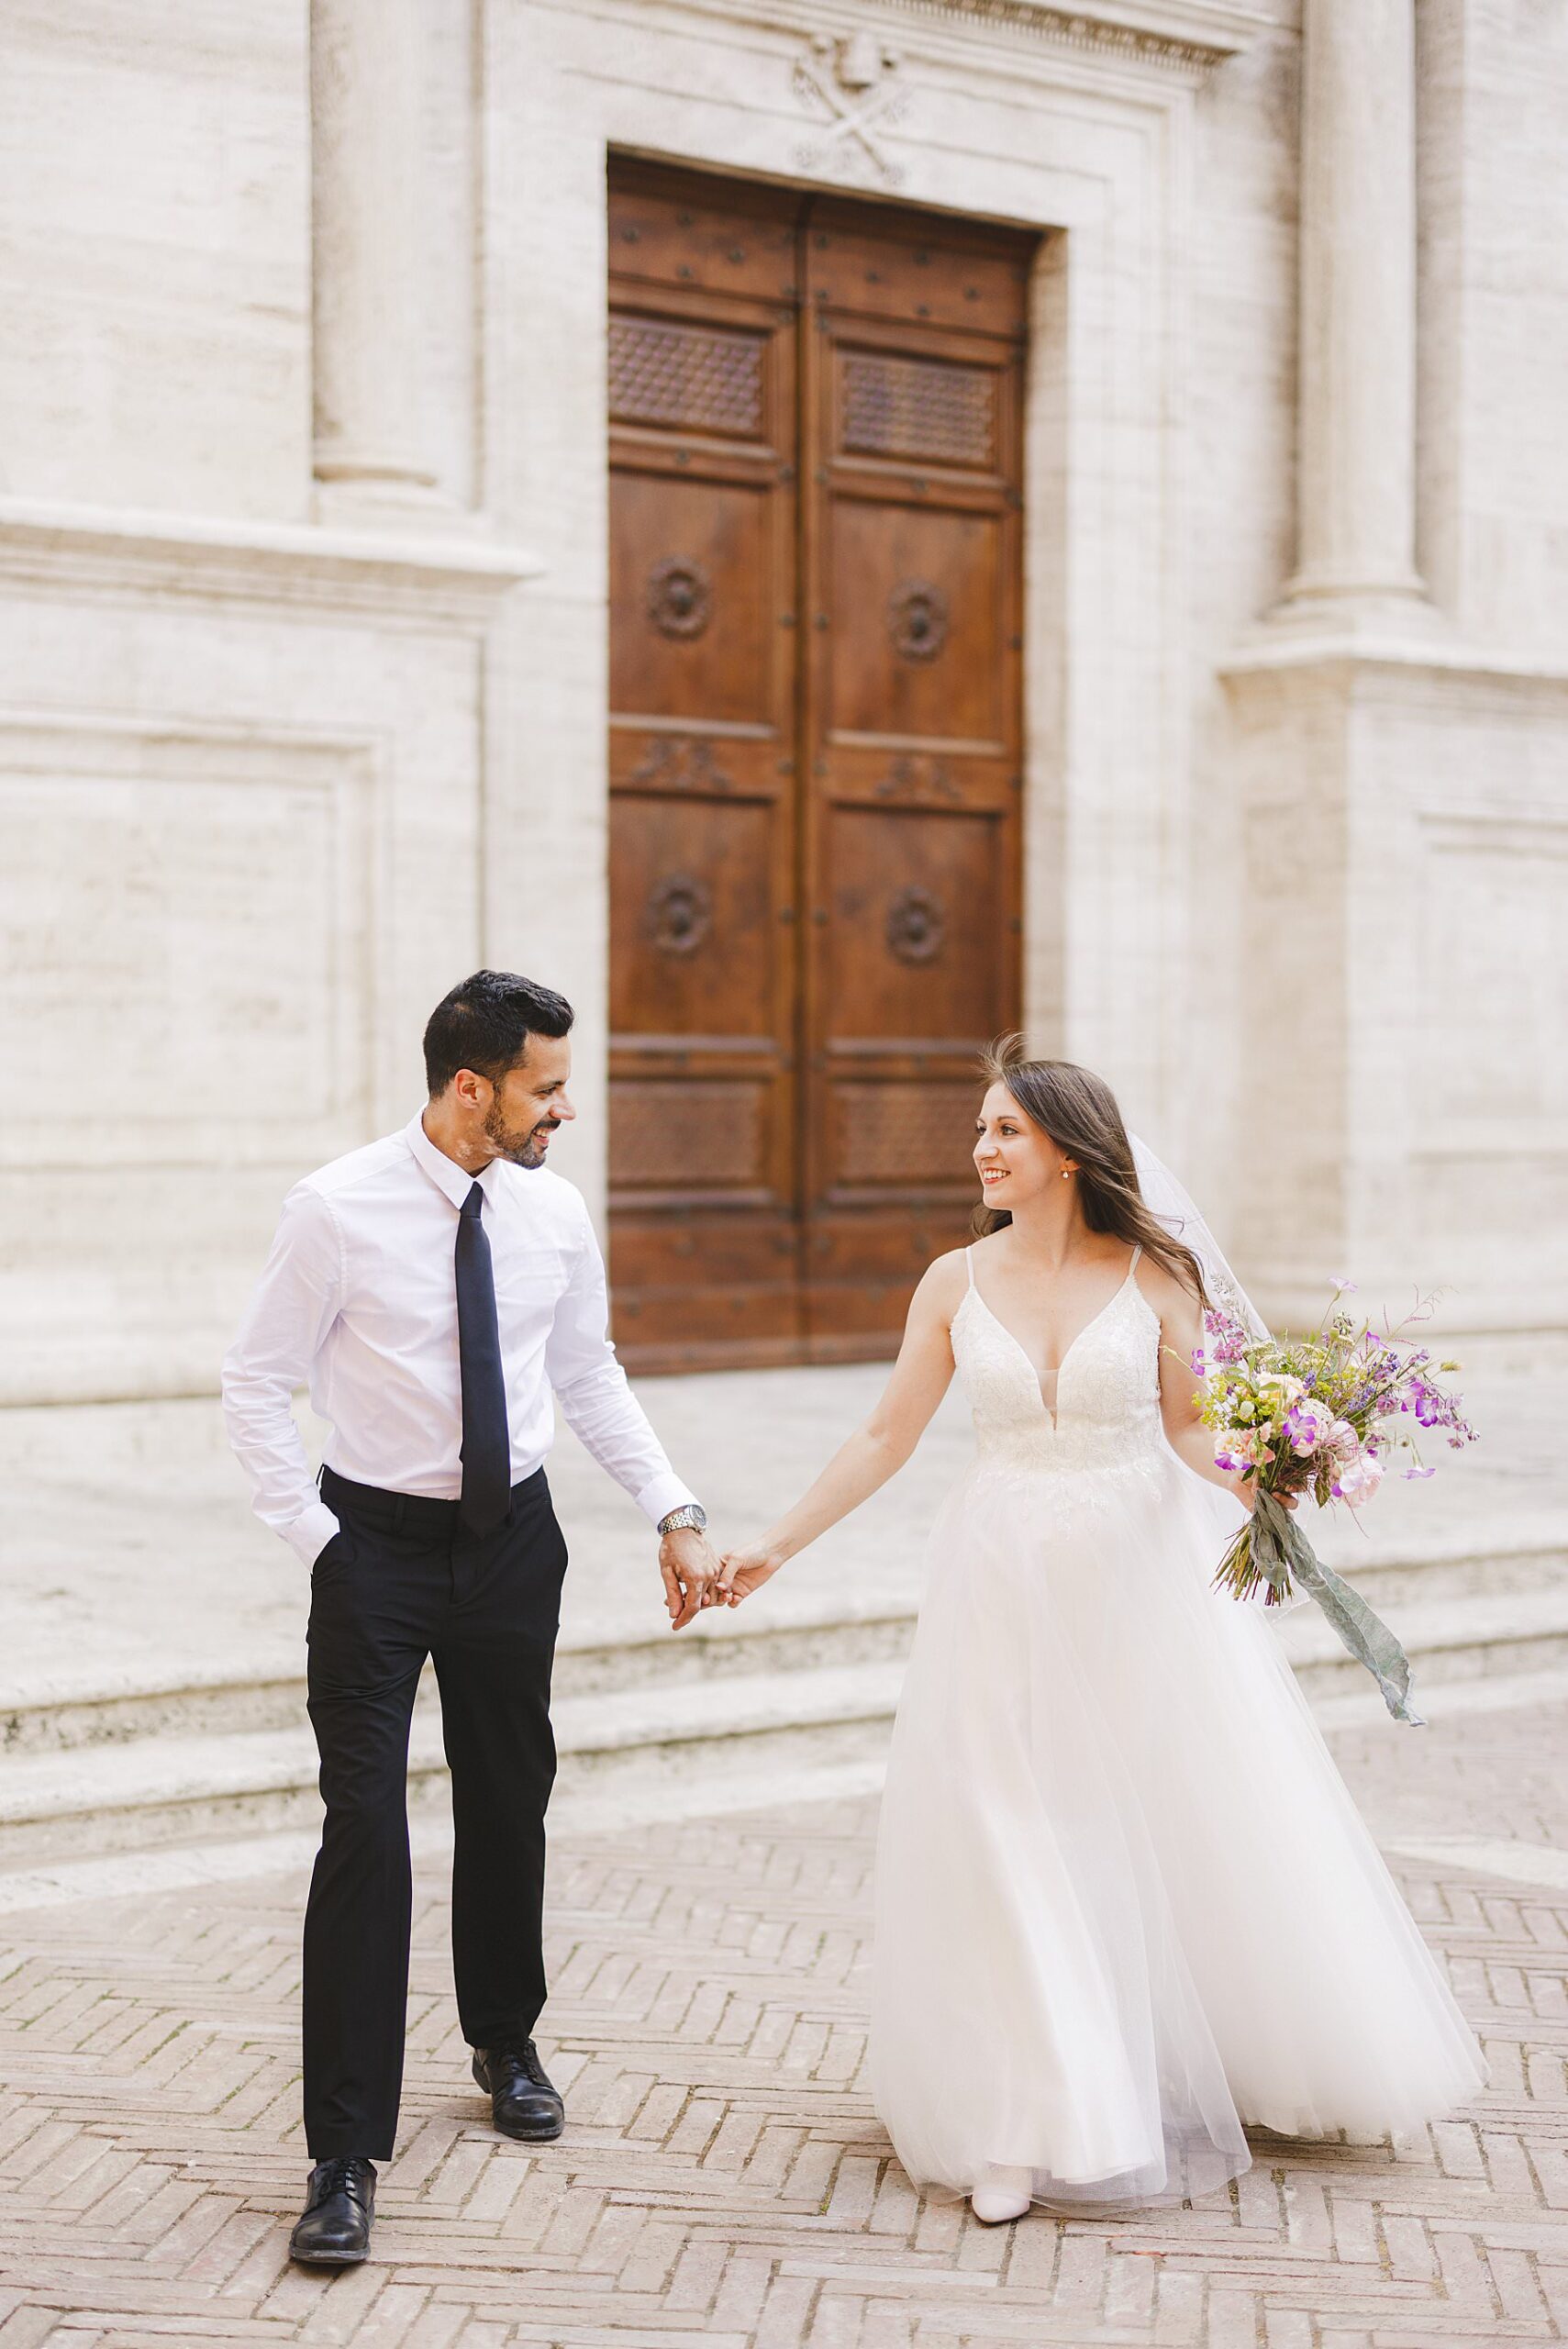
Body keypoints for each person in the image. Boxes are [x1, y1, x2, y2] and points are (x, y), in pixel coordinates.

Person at [717, 1044, 1485, 2223]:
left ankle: (1181, 2056)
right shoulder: (949, 1282)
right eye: (981, 1129)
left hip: (1133, 1582)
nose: (981, 1148)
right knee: (1005, 1825)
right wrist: (774, 1545)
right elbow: (883, 1436)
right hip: (996, 1577)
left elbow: (1186, 1429)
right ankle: (1030, 2122)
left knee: (1128, 1822)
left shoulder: (1155, 1275)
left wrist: (1278, 1470)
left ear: (1069, 1153)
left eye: (1005, 1131)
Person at [222, 971, 724, 2265]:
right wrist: (322, 1545)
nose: (566, 1111)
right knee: (363, 1829)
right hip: (372, 1555)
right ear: (470, 1087)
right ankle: (343, 2151)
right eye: (545, 1089)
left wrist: (670, 1506)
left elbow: (586, 1371)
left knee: (509, 1796)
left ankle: (504, 2039)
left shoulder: (552, 1211)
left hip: (513, 1546)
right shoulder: (334, 1208)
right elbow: (256, 1382)